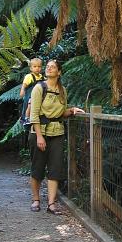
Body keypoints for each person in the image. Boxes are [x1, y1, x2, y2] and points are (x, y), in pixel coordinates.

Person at [29, 59, 84, 215]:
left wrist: (72, 110)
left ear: (59, 72)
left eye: (53, 67)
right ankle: (36, 199)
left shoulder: (62, 90)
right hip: (39, 132)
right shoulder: (39, 88)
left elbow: (61, 112)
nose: (49, 69)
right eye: (48, 67)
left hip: (57, 133)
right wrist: (39, 137)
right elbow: (34, 115)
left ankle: (51, 204)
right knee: (37, 168)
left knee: (55, 169)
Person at [20, 58, 43, 127]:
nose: (37, 68)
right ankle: (26, 118)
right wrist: (22, 90)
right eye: (35, 67)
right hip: (31, 95)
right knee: (29, 105)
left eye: (39, 67)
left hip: (39, 96)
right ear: (31, 68)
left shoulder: (41, 77)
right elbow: (24, 85)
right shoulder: (29, 76)